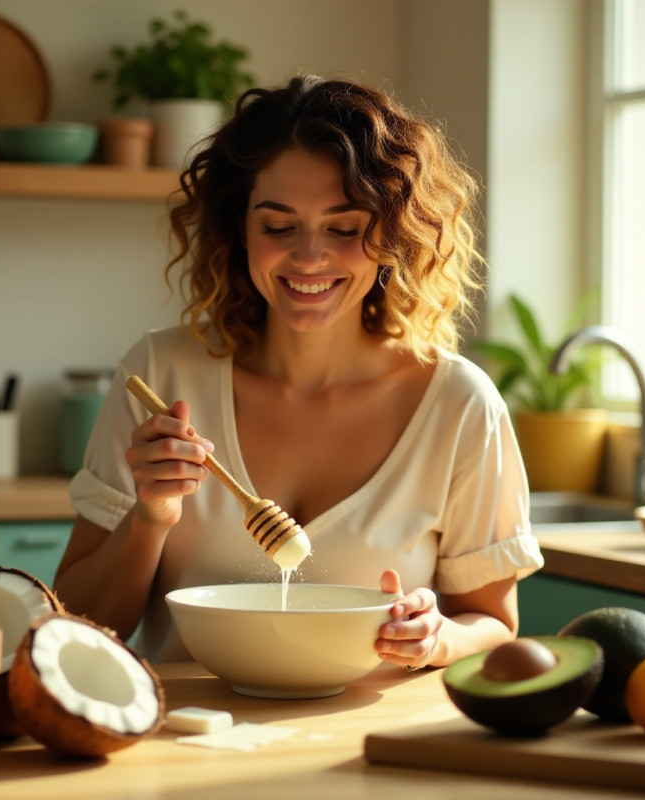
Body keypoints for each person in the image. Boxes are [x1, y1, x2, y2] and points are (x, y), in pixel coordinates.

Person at [53, 74, 543, 670]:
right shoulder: (161, 375)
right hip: (185, 742)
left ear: (392, 233)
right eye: (278, 226)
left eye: (345, 228)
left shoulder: (459, 404)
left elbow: (492, 622)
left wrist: (439, 636)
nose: (309, 257)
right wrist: (150, 517)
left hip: (361, 750)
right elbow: (76, 623)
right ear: (240, 229)